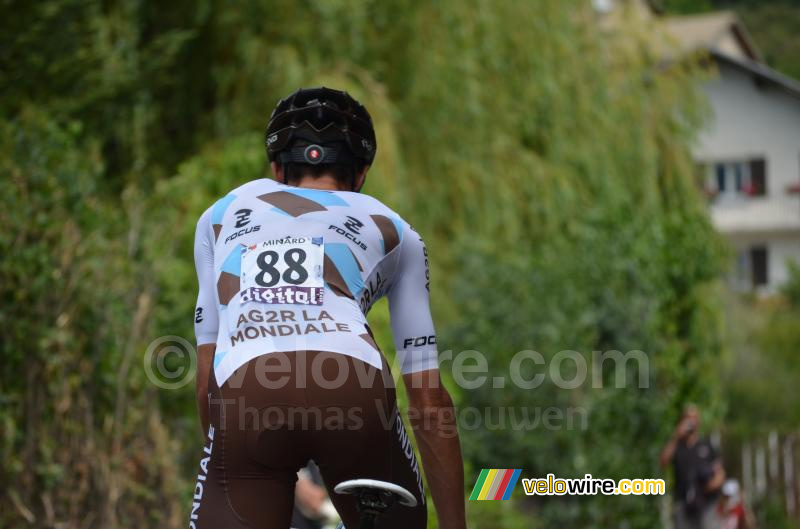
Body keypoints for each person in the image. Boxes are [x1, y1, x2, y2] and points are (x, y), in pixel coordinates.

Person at [188, 87, 466, 529]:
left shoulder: (221, 215)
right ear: (361, 174)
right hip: (352, 380)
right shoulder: (394, 228)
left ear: (278, 168)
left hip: (248, 387)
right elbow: (429, 401)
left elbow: (206, 381)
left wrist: (230, 465)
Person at [660, 405, 726, 529]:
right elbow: (663, 461)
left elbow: (720, 473)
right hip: (683, 502)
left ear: (698, 421)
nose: (690, 422)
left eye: (693, 418)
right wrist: (676, 436)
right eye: (687, 418)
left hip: (706, 503)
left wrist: (711, 485)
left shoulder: (707, 445)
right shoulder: (677, 446)